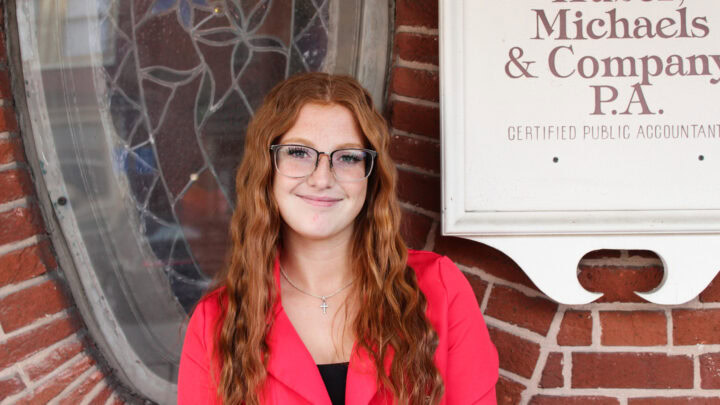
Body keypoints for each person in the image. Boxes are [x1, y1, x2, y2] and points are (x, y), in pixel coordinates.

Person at [177, 72, 498, 405]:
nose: (321, 178)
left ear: (371, 179)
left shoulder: (439, 289)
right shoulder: (215, 322)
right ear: (266, 169)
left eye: (347, 157)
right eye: (299, 152)